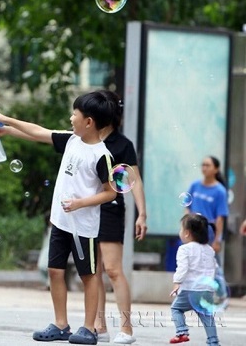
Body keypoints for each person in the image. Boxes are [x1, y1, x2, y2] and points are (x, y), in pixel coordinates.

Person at [0, 91, 116, 345]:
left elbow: (110, 192)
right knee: (54, 271)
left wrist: (80, 203)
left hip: (83, 228)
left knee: (88, 276)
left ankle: (89, 328)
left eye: (74, 114)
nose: (71, 118)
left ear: (89, 122)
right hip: (61, 222)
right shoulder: (72, 140)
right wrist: (8, 126)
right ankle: (61, 324)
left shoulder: (102, 156)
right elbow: (39, 132)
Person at [94, 90, 147, 344]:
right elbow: (46, 135)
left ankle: (126, 329)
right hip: (86, 209)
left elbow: (134, 180)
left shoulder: (123, 144)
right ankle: (99, 327)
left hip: (111, 209)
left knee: (113, 270)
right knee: (92, 272)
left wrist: (142, 214)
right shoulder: (86, 139)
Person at [169, 213, 221, 345]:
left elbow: (182, 268)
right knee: (207, 317)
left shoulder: (184, 249)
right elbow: (214, 267)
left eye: (181, 229)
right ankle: (213, 341)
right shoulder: (210, 250)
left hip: (190, 289)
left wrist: (177, 282)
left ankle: (181, 332)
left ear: (187, 233)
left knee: (176, 309)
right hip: (206, 290)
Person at [186, 156, 228, 254]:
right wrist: (187, 225)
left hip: (208, 233)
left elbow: (220, 218)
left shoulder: (220, 191)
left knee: (210, 260)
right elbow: (187, 206)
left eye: (208, 165)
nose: (204, 168)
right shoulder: (194, 185)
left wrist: (217, 240)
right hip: (193, 231)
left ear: (216, 169)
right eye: (203, 165)